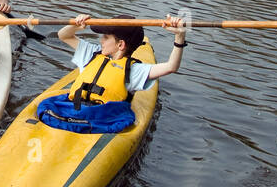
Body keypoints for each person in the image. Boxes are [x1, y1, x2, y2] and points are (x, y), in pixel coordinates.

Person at [36, 13, 188, 131]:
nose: (101, 40)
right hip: (73, 109)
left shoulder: (134, 70)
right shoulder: (93, 53)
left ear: (120, 44)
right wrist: (76, 24)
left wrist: (179, 36)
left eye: (106, 37)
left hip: (102, 117)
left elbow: (171, 66)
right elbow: (64, 35)